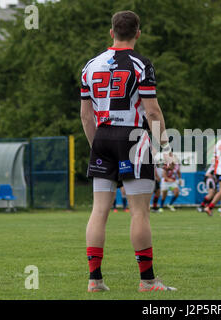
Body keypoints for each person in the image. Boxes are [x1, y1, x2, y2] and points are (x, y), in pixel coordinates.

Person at [80, 11, 176, 292]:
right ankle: (147, 281)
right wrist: (166, 148)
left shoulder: (90, 65)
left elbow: (86, 116)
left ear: (111, 32)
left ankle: (94, 280)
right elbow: (152, 110)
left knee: (99, 211)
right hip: (133, 137)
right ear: (138, 33)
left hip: (102, 136)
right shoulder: (141, 64)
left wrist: (97, 145)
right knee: (139, 213)